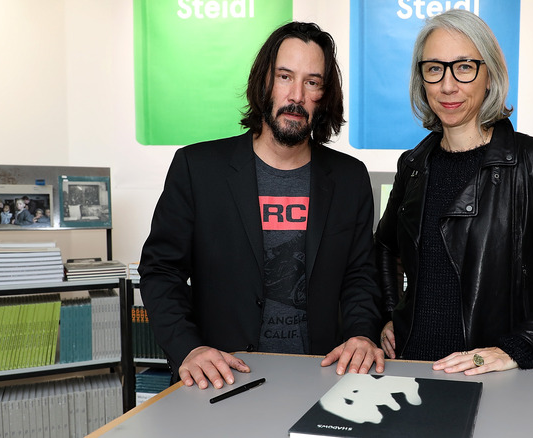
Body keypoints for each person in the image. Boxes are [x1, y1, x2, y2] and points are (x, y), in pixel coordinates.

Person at [139, 21, 384, 391]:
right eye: (285, 76)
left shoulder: (349, 178)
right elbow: (161, 272)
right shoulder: (198, 168)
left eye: (312, 82)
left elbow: (360, 277)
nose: (296, 95)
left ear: (324, 94)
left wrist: (362, 335)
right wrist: (187, 349)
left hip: (321, 379)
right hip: (220, 380)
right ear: (264, 82)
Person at [373, 9, 533, 375]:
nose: (448, 86)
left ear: (489, 74)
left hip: (490, 376)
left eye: (464, 67)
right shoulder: (413, 164)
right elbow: (384, 247)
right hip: (410, 368)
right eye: (434, 69)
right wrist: (389, 315)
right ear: (421, 80)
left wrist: (513, 349)